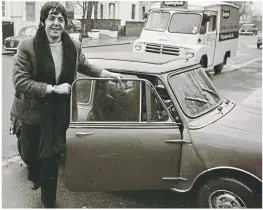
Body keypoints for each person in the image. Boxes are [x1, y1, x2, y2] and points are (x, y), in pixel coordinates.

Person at [10, 1, 122, 208]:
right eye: (52, 18)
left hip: (59, 112)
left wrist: (106, 74)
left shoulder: (73, 46)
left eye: (60, 19)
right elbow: (20, 81)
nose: (56, 23)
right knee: (30, 153)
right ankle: (35, 173)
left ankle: (49, 202)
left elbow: (85, 65)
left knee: (51, 157)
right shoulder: (27, 46)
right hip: (32, 111)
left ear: (65, 23)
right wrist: (53, 89)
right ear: (43, 21)